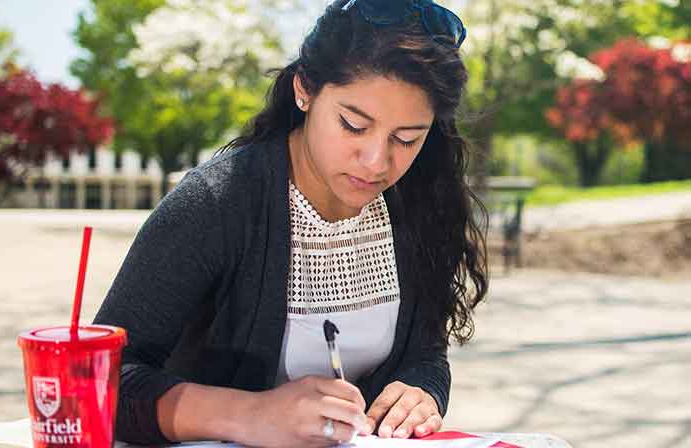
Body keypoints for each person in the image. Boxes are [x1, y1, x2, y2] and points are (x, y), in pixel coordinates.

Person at [93, 0, 488, 446]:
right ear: (305, 90)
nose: (377, 162)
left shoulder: (419, 200)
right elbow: (100, 381)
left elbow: (425, 355)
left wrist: (422, 391)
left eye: (406, 138)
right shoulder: (218, 202)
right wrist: (251, 414)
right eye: (353, 125)